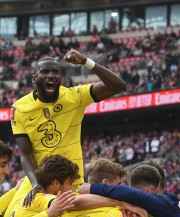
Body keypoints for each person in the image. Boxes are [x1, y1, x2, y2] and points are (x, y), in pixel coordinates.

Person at [12, 50, 125, 205]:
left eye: (55, 72)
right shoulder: (19, 108)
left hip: (71, 183)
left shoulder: (75, 96)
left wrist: (86, 61)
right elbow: (25, 154)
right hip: (41, 183)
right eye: (44, 72)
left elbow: (117, 85)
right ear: (34, 78)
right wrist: (35, 183)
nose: (51, 75)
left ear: (60, 78)